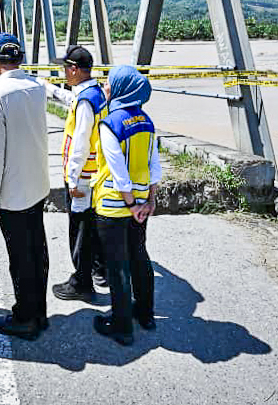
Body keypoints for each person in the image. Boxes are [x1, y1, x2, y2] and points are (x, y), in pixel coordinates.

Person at [0, 33, 51, 340]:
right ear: (20, 59)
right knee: (38, 251)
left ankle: (25, 318)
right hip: (37, 184)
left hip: (13, 192)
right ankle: (40, 312)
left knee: (20, 257)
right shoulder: (37, 86)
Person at [91, 65, 161, 346]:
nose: (105, 88)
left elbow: (118, 173)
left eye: (108, 83)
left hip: (115, 205)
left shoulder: (111, 123)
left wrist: (130, 204)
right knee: (139, 256)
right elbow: (153, 165)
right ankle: (145, 314)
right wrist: (149, 201)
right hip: (142, 204)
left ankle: (121, 326)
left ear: (120, 88)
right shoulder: (147, 121)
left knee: (117, 264)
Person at [52, 45, 108, 303]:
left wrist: (73, 179)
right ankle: (100, 269)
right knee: (91, 225)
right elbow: (69, 99)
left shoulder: (86, 101)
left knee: (80, 228)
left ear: (74, 69)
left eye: (64, 67)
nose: (62, 71)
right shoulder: (95, 93)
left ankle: (82, 281)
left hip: (83, 175)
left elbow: (80, 144)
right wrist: (46, 88)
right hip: (94, 173)